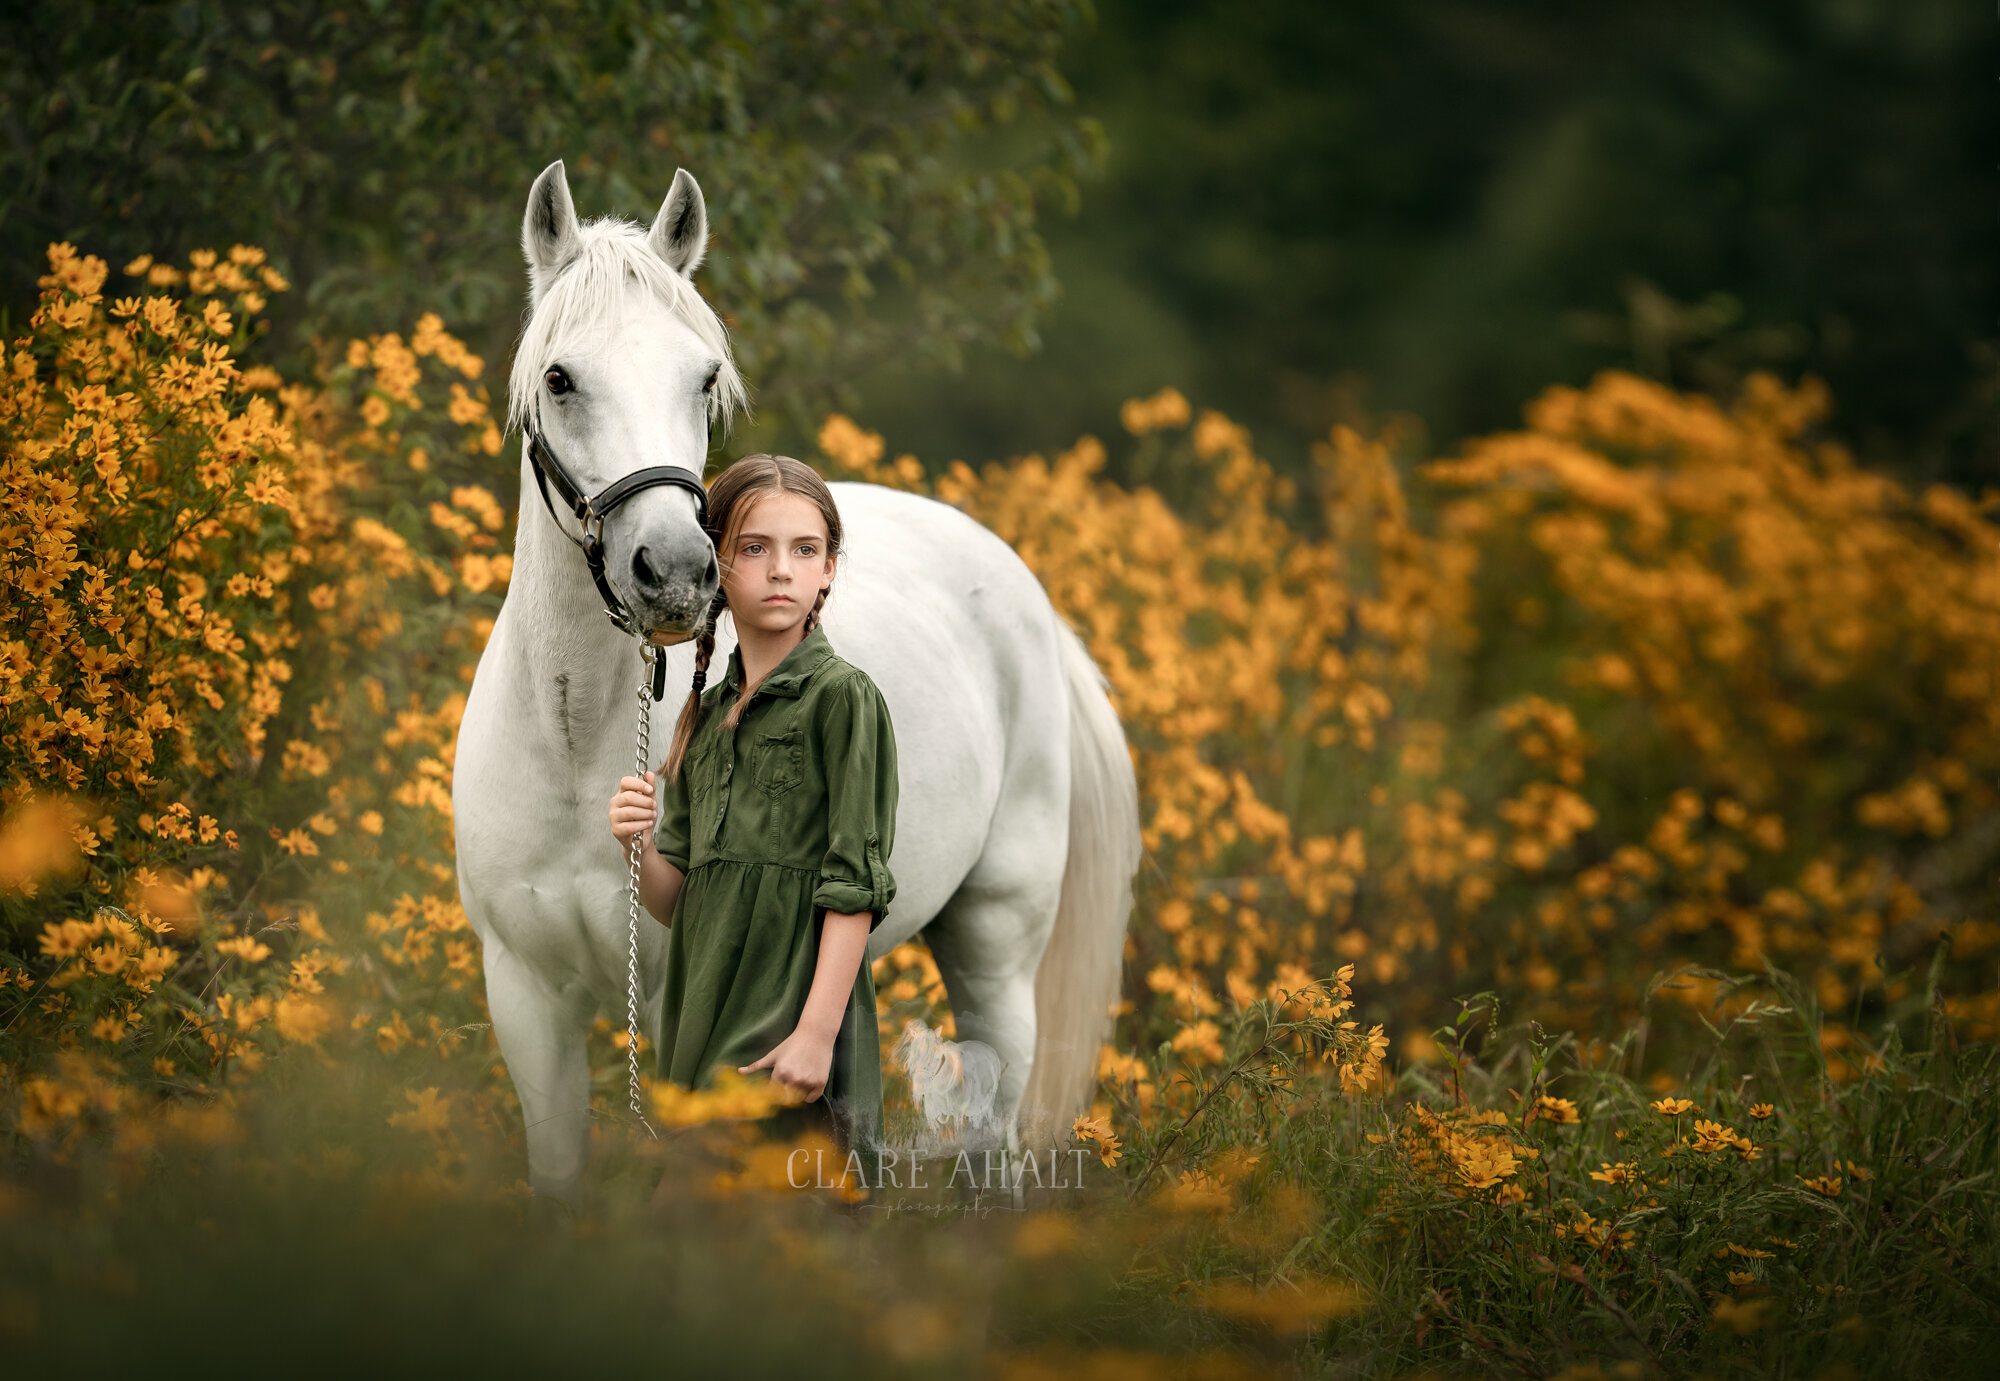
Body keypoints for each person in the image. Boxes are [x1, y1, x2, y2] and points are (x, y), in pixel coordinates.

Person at [607, 453, 898, 1175]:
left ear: (829, 568)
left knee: (794, 1238)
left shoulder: (843, 699)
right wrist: (635, 842)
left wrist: (816, 1034)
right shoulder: (704, 717)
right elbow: (682, 902)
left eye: (805, 550)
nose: (780, 570)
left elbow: (854, 886)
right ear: (715, 565)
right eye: (753, 548)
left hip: (790, 1021)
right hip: (705, 1014)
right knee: (704, 1243)